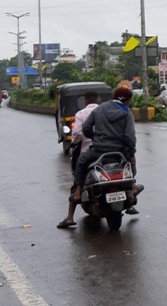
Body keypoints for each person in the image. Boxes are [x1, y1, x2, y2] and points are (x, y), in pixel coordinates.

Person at [62, 87, 143, 228]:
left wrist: (96, 137)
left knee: (81, 163)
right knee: (130, 164)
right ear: (127, 100)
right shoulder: (126, 112)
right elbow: (130, 137)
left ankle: (78, 191)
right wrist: (131, 154)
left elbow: (86, 128)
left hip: (98, 151)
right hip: (119, 152)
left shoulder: (100, 109)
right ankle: (132, 187)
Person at [57, 91, 101, 229]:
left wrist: (74, 142)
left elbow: (77, 134)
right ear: (98, 100)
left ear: (85, 101)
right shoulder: (105, 111)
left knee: (78, 173)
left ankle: (70, 215)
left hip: (89, 150)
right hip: (110, 149)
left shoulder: (81, 114)